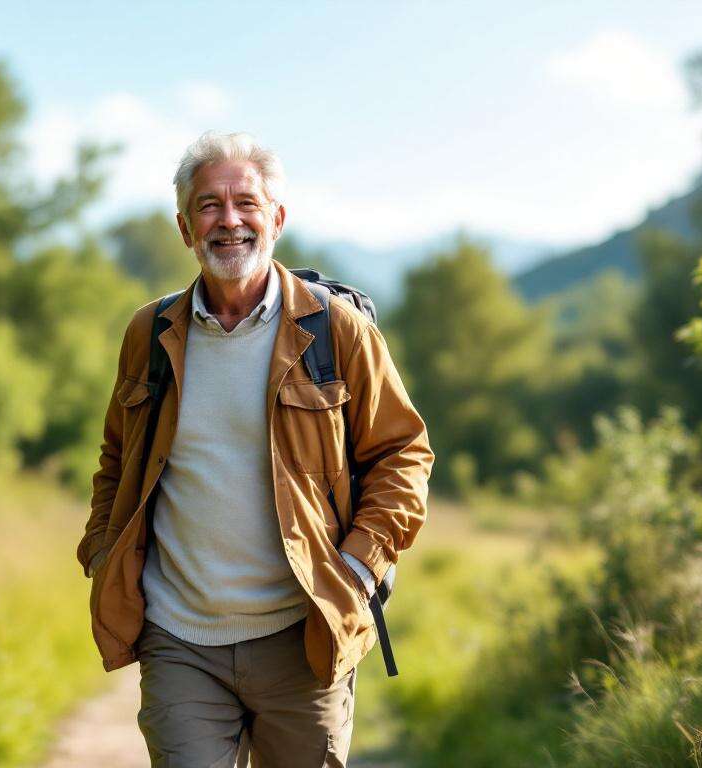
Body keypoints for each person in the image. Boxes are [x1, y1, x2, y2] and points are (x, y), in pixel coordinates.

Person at [76, 130, 434, 767]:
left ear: (277, 218)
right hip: (178, 636)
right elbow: (116, 457)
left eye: (246, 202)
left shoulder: (336, 328)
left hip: (305, 634)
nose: (229, 220)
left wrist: (357, 567)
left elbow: (403, 453)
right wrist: (104, 547)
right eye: (209, 205)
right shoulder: (150, 331)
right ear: (186, 228)